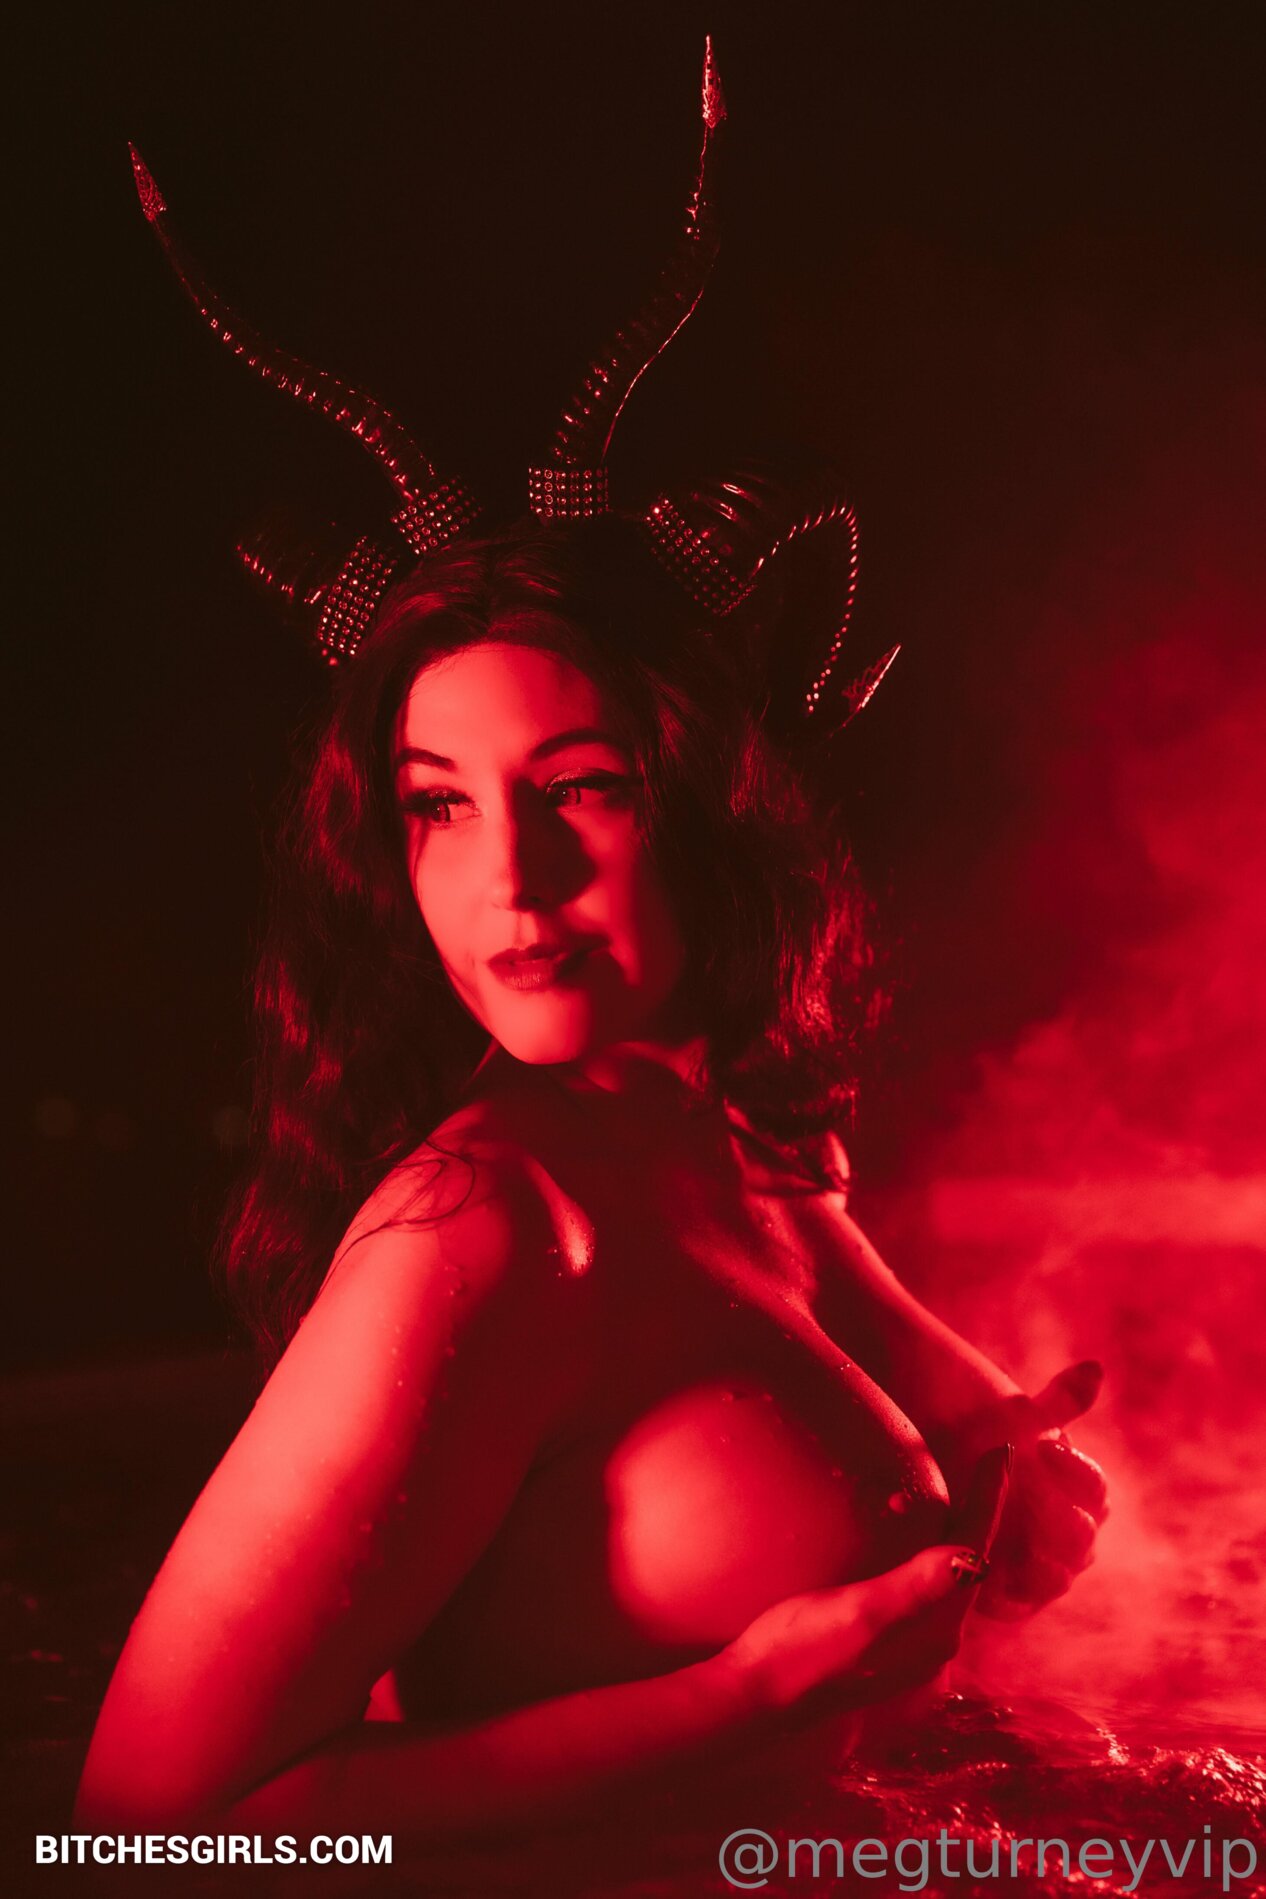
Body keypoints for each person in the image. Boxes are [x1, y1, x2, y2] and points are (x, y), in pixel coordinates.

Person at [77, 45, 1107, 1853]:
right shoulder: (477, 1232)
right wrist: (742, 1697)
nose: (514, 883)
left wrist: (1010, 1498)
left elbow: (908, 1471)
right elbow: (150, 1840)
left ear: (712, 801)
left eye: (579, 788)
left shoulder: (741, 1135)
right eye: (438, 805)